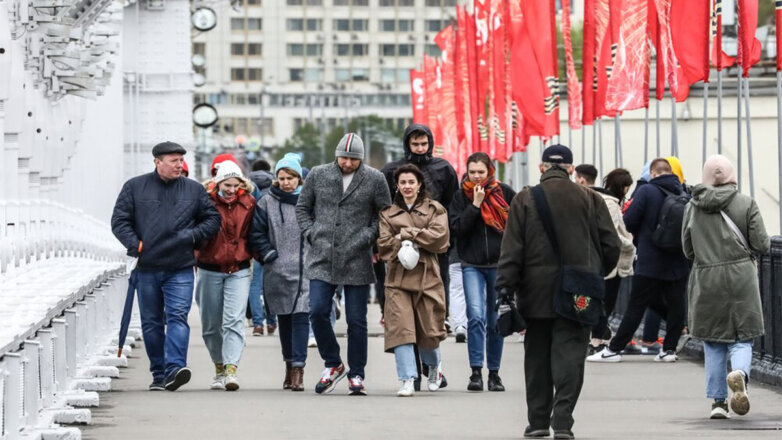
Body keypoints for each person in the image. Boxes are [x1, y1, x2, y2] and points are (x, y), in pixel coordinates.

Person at [496, 144, 620, 439]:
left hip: (535, 292)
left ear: (542, 168)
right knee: (571, 356)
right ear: (570, 169)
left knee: (537, 357)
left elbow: (512, 249)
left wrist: (505, 287)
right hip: (578, 291)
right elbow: (611, 246)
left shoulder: (525, 198)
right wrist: (593, 273)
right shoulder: (590, 198)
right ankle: (562, 420)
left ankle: (538, 421)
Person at [111, 141, 221, 391]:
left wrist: (191, 236)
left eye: (181, 161)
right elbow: (119, 220)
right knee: (151, 322)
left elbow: (212, 219)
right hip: (147, 267)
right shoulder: (135, 187)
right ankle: (158, 373)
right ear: (157, 161)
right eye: (174, 161)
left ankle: (175, 368)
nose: (179, 165)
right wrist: (135, 244)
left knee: (177, 317)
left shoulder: (193, 190)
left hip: (180, 267)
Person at [296, 132, 391, 395]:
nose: (347, 163)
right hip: (322, 253)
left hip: (357, 256)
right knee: (316, 310)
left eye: (352, 159)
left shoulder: (374, 178)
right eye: (343, 158)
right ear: (336, 155)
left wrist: (367, 237)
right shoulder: (318, 173)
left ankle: (357, 373)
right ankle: (333, 363)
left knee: (357, 320)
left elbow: (384, 215)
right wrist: (311, 232)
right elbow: (303, 208)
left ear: (361, 159)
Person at [682, 155, 769, 419]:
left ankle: (718, 403)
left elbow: (687, 249)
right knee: (743, 337)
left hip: (707, 278)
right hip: (741, 275)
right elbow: (762, 244)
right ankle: (740, 374)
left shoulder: (692, 207)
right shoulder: (746, 203)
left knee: (713, 340)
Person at [380, 124, 460, 388]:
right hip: (398, 273)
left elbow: (450, 208)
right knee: (402, 327)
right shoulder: (391, 174)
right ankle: (408, 378)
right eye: (414, 144)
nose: (420, 149)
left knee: (428, 327)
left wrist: (412, 234)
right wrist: (398, 240)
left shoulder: (443, 170)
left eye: (423, 144)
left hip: (431, 263)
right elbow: (383, 238)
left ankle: (433, 366)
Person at [588, 158, 690, 363]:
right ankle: (669, 350)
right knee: (676, 302)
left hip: (650, 258)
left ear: (653, 173)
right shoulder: (683, 193)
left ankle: (614, 349)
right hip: (679, 258)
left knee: (636, 304)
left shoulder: (647, 191)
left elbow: (629, 222)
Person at [449, 152, 516, 392]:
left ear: (490, 171)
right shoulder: (461, 196)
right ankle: (476, 371)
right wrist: (475, 206)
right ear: (466, 171)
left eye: (481, 172)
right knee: (475, 316)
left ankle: (494, 373)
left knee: (495, 319)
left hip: (499, 264)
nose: (476, 177)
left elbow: (516, 225)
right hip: (472, 264)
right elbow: (456, 229)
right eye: (472, 172)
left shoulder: (505, 193)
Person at [195, 161, 257, 391]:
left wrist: (259, 253)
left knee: (233, 321)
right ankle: (218, 367)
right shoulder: (204, 203)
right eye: (227, 185)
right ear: (217, 183)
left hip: (238, 269)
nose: (231, 190)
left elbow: (255, 232)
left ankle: (231, 369)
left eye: (235, 185)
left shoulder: (248, 203)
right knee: (211, 325)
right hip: (209, 268)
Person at [252, 153, 310, 392]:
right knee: (285, 320)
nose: (287, 182)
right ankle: (288, 364)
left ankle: (299, 369)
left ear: (299, 178)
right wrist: (268, 255)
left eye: (291, 177)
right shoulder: (267, 202)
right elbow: (256, 234)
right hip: (277, 269)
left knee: (301, 317)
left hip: (305, 269)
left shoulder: (310, 201)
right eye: (282, 177)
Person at [585, 169, 636, 352]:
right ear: (624, 187)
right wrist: (629, 241)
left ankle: (596, 337)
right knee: (607, 301)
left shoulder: (593, 198)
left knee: (596, 299)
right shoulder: (612, 204)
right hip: (609, 260)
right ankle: (597, 340)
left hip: (592, 257)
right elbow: (612, 233)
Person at [248, 158, 277, 336]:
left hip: (254, 242)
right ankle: (272, 322)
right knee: (271, 284)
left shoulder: (247, 187)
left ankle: (257, 324)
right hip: (273, 243)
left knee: (255, 284)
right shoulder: (275, 187)